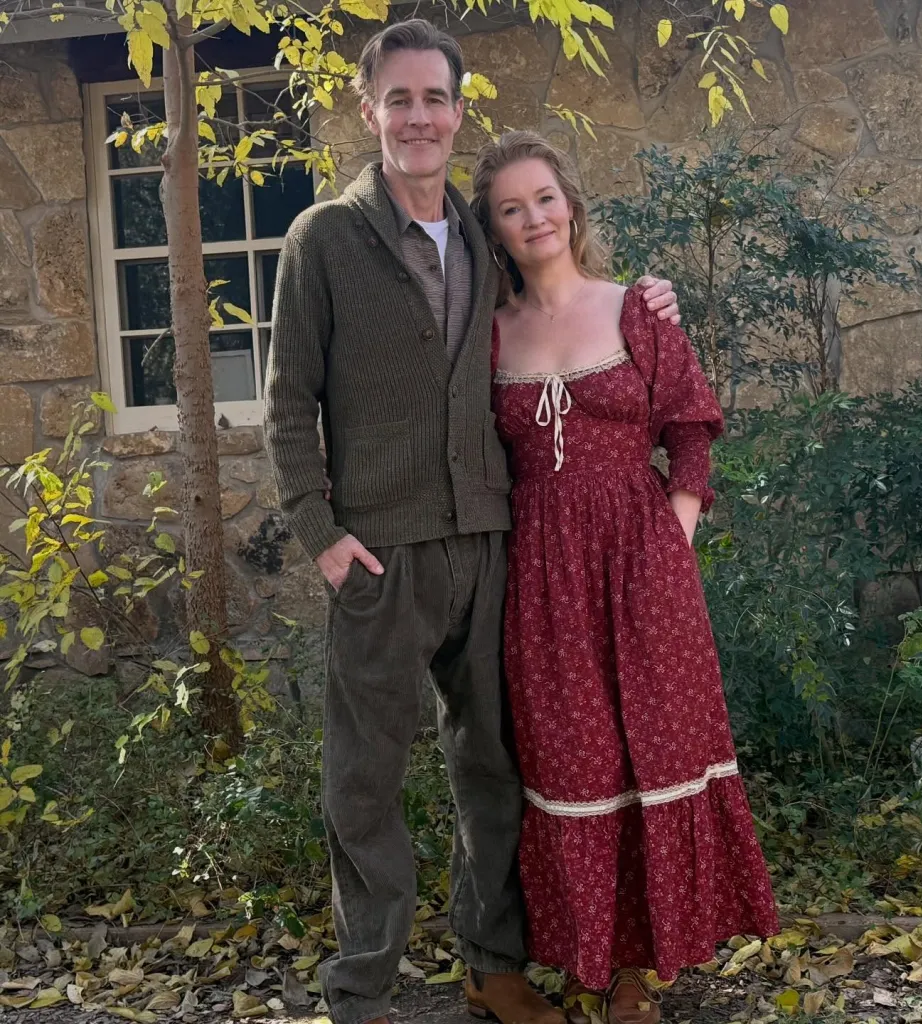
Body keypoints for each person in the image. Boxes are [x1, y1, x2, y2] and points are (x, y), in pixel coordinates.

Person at [263, 20, 680, 1024]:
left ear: (458, 111)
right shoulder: (321, 238)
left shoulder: (487, 235)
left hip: (494, 543)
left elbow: (562, 291)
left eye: (435, 98)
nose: (418, 116)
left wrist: (646, 301)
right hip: (381, 550)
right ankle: (362, 990)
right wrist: (322, 533)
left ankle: (494, 970)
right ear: (370, 112)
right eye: (397, 98)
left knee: (494, 765)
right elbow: (286, 403)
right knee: (362, 782)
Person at [470, 131, 779, 1024]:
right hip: (542, 573)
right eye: (510, 208)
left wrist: (672, 540)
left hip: (644, 563)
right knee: (572, 764)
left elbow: (690, 429)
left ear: (571, 203)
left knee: (656, 756)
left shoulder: (638, 309)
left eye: (544, 198)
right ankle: (585, 968)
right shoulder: (488, 335)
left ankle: (637, 975)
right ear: (495, 230)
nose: (534, 218)